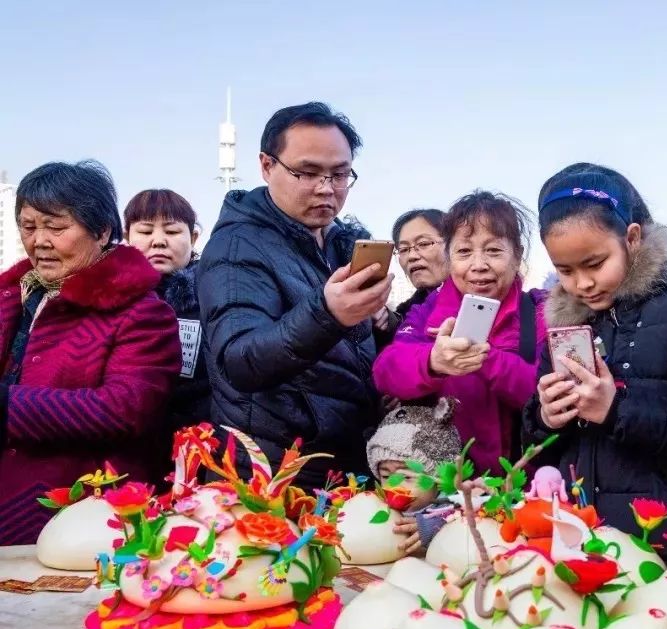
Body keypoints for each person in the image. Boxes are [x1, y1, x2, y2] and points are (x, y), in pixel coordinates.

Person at [523, 163, 667, 539]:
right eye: (565, 270)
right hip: (582, 535)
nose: (584, 283)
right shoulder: (564, 325)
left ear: (632, 237)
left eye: (595, 263)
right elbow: (540, 447)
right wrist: (545, 418)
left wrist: (616, 411)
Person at [199, 102, 390, 487]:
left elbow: (351, 357)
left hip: (343, 464)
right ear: (267, 165)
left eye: (339, 174)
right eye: (307, 172)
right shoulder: (236, 246)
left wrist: (383, 322)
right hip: (271, 476)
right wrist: (329, 314)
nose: (326, 188)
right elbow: (240, 360)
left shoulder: (341, 243)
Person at [0, 161, 180, 544]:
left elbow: (126, 408)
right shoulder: (11, 298)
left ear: (101, 231)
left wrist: (8, 407)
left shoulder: (142, 313)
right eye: (28, 227)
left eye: (56, 226)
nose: (39, 240)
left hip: (78, 522)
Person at [373, 191, 545, 475]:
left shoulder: (539, 311)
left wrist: (486, 359)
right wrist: (433, 362)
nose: (479, 265)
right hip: (442, 487)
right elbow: (386, 371)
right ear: (450, 258)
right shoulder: (426, 311)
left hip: (523, 487)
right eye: (464, 252)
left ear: (517, 256)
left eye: (493, 251)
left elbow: (546, 392)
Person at [124, 189, 209, 433]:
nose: (159, 241)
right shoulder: (108, 300)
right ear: (126, 236)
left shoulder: (214, 294)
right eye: (145, 231)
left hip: (197, 442)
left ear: (193, 238)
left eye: (172, 231)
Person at [366, 397, 463, 555]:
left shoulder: (455, 505)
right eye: (385, 475)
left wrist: (436, 525)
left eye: (406, 477)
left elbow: (469, 516)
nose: (394, 487)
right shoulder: (381, 505)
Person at [373, 208, 448, 349]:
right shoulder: (404, 317)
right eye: (403, 249)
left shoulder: (483, 300)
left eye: (424, 244)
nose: (412, 256)